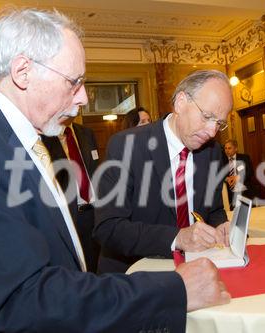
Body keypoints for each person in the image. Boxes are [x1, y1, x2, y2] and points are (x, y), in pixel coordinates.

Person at [0, 9, 230, 333]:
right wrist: (174, 290)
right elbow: (24, 299)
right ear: (23, 72)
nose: (83, 97)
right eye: (73, 82)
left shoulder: (29, 141)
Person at [94, 70, 233, 274]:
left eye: (219, 123)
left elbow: (213, 210)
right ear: (180, 102)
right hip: (134, 275)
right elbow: (109, 228)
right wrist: (178, 238)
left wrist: (222, 226)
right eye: (207, 117)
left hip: (195, 269)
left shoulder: (211, 151)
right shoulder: (127, 146)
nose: (212, 132)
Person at [41, 118, 101, 272]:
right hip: (71, 213)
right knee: (78, 268)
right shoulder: (45, 135)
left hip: (97, 211)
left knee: (100, 265)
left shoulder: (86, 133)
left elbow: (95, 168)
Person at [223, 139, 257, 208]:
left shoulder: (244, 158)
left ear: (236, 149)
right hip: (231, 194)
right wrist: (227, 179)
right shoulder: (222, 161)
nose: (227, 150)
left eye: (229, 148)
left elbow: (250, 172)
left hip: (245, 192)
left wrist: (238, 177)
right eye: (225, 148)